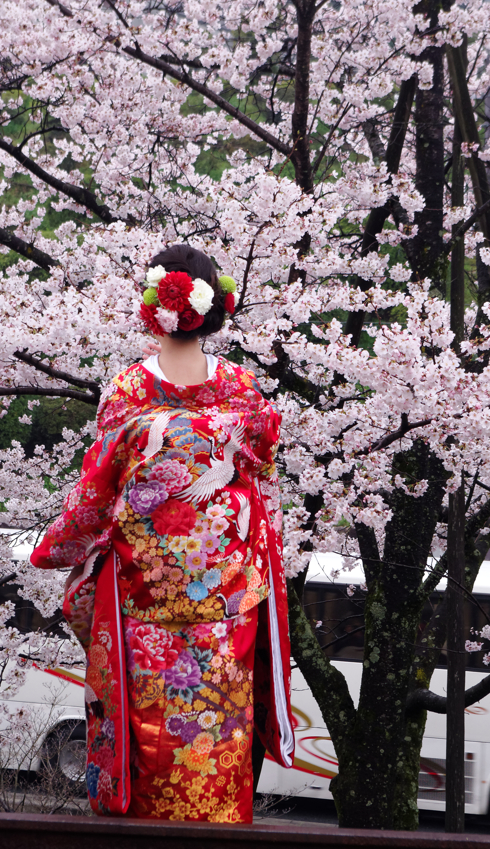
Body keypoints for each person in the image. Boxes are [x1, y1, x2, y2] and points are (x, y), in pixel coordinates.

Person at [30, 245, 294, 822]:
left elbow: (95, 497)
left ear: (154, 305)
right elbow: (261, 482)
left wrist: (55, 549)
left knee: (147, 736)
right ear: (216, 306)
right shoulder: (245, 394)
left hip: (141, 604)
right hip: (227, 603)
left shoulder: (127, 393)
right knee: (218, 734)